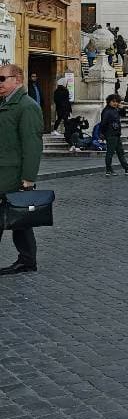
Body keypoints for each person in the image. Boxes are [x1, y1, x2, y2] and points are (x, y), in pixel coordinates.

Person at [0, 64, 45, 275]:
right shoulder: (6, 104)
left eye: (2, 79)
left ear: (17, 80)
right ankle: (27, 260)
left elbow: (32, 144)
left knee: (18, 218)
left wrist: (28, 178)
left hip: (12, 174)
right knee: (20, 221)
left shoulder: (27, 106)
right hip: (3, 170)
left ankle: (27, 261)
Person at [99, 94, 128, 176]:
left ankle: (127, 169)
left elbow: (123, 114)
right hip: (110, 134)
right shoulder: (107, 111)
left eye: (117, 102)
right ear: (109, 101)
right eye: (113, 101)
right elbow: (103, 123)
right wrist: (102, 133)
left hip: (116, 133)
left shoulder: (115, 109)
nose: (115, 103)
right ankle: (109, 170)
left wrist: (122, 108)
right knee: (110, 152)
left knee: (120, 152)